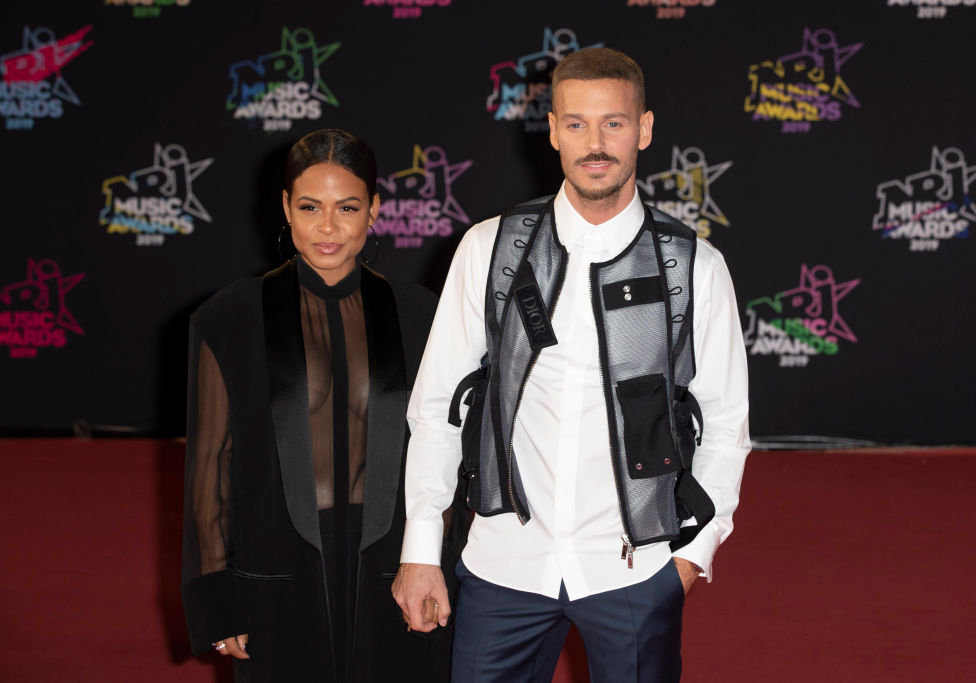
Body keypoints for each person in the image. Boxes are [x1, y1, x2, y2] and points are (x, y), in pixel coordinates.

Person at [392, 48, 750, 682]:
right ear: (553, 130)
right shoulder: (489, 248)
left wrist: (693, 554)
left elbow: (725, 424)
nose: (596, 143)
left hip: (635, 569)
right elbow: (437, 406)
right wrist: (422, 548)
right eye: (577, 124)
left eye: (613, 123)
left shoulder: (693, 265)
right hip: (503, 565)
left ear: (643, 129)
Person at [181, 128, 465, 681]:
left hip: (394, 569)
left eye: (348, 207)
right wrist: (217, 593)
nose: (328, 228)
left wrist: (439, 566)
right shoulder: (229, 318)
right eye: (310, 206)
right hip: (275, 573)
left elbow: (450, 446)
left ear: (375, 210)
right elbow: (209, 464)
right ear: (286, 208)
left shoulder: (420, 315)